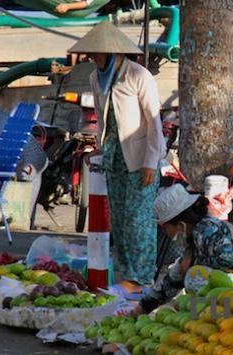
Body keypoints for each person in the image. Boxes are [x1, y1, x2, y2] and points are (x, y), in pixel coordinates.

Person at [68, 21, 165, 299]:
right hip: (114, 157)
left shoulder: (139, 75)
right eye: (91, 53)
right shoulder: (96, 78)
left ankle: (142, 277)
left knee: (139, 220)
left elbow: (153, 123)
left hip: (139, 158)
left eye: (97, 53)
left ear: (113, 52)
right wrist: (100, 146)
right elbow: (102, 116)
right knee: (120, 220)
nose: (93, 58)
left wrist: (150, 161)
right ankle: (125, 277)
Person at [124, 184, 233, 316]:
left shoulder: (207, 230)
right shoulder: (195, 236)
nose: (166, 234)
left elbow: (230, 260)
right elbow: (173, 279)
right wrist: (139, 311)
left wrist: (192, 264)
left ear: (181, 225)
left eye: (166, 228)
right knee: (189, 273)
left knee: (194, 277)